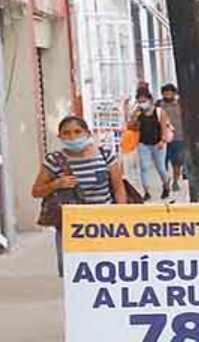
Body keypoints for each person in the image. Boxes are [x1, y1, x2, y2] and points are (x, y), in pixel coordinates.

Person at [31, 116, 127, 277]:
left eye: (77, 132)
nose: (72, 137)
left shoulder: (105, 156)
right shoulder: (54, 160)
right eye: (66, 133)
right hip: (71, 225)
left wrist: (120, 215)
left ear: (87, 133)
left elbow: (118, 188)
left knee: (108, 266)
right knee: (72, 270)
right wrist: (56, 184)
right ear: (60, 137)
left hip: (104, 222)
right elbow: (36, 191)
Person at [128, 87, 172, 200]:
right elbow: (131, 127)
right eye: (140, 101)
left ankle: (166, 186)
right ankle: (146, 192)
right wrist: (135, 116)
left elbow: (163, 127)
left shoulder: (159, 112)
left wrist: (163, 140)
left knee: (161, 168)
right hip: (143, 144)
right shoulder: (138, 112)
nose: (142, 104)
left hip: (158, 143)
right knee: (144, 168)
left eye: (144, 101)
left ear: (150, 100)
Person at [159, 84, 186, 193]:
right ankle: (166, 182)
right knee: (162, 163)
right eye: (166, 93)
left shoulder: (181, 104)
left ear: (175, 93)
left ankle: (175, 181)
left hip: (178, 137)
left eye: (170, 92)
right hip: (162, 138)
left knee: (177, 162)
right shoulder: (159, 106)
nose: (168, 95)